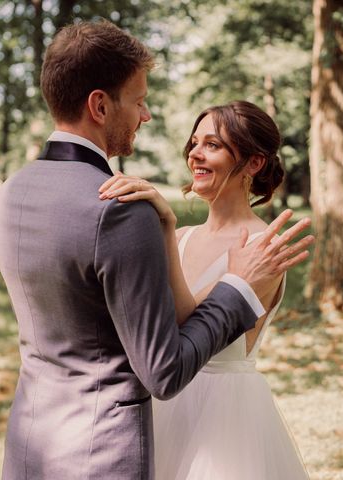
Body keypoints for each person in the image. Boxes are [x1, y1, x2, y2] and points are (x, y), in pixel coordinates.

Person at [0, 20, 313, 480]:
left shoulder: (13, 192)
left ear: (253, 162)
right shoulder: (121, 211)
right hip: (105, 445)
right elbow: (165, 364)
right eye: (139, 101)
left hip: (47, 438)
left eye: (213, 145)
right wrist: (231, 283)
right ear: (99, 105)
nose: (146, 116)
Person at [100, 100, 311, 478]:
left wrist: (164, 222)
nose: (195, 154)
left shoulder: (262, 250)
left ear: (254, 163)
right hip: (163, 401)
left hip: (224, 420)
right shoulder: (181, 238)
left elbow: (187, 321)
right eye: (195, 143)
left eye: (212, 145)